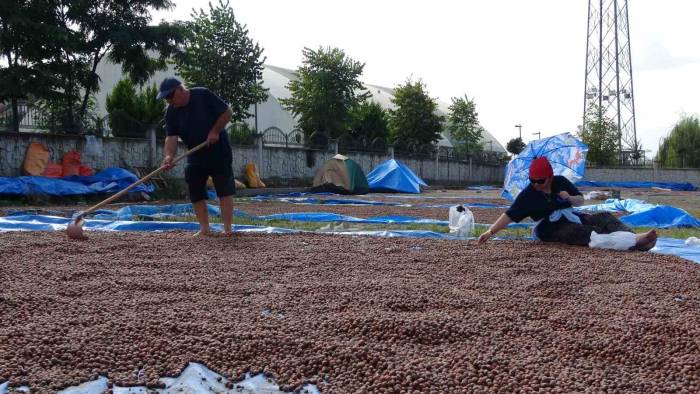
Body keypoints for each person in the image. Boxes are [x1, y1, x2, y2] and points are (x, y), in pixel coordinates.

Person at [477, 156, 657, 251]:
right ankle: (634, 242)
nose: (535, 184)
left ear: (549, 177)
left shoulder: (561, 182)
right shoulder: (528, 195)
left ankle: (634, 239)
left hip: (572, 216)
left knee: (605, 217)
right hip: (550, 227)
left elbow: (580, 201)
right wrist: (490, 231)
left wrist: (569, 198)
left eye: (540, 180)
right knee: (586, 233)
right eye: (532, 180)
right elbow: (509, 215)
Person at [158, 77, 235, 236]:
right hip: (195, 152)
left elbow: (227, 112)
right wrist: (168, 156)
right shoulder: (171, 112)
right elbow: (171, 137)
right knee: (194, 187)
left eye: (170, 96)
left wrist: (215, 131)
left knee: (223, 189)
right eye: (166, 98)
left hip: (218, 150)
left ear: (180, 89)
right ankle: (205, 229)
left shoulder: (203, 95)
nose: (169, 101)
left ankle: (227, 229)